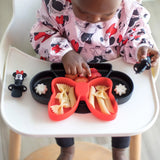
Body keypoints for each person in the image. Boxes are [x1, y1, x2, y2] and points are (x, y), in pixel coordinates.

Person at [30, 0, 160, 159]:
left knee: (121, 111)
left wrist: (141, 49)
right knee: (61, 111)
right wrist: (64, 53)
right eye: (84, 13)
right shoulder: (58, 6)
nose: (95, 20)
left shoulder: (128, 9)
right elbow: (41, 33)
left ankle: (120, 152)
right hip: (68, 72)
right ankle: (67, 149)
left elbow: (136, 32)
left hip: (111, 73)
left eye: (107, 14)